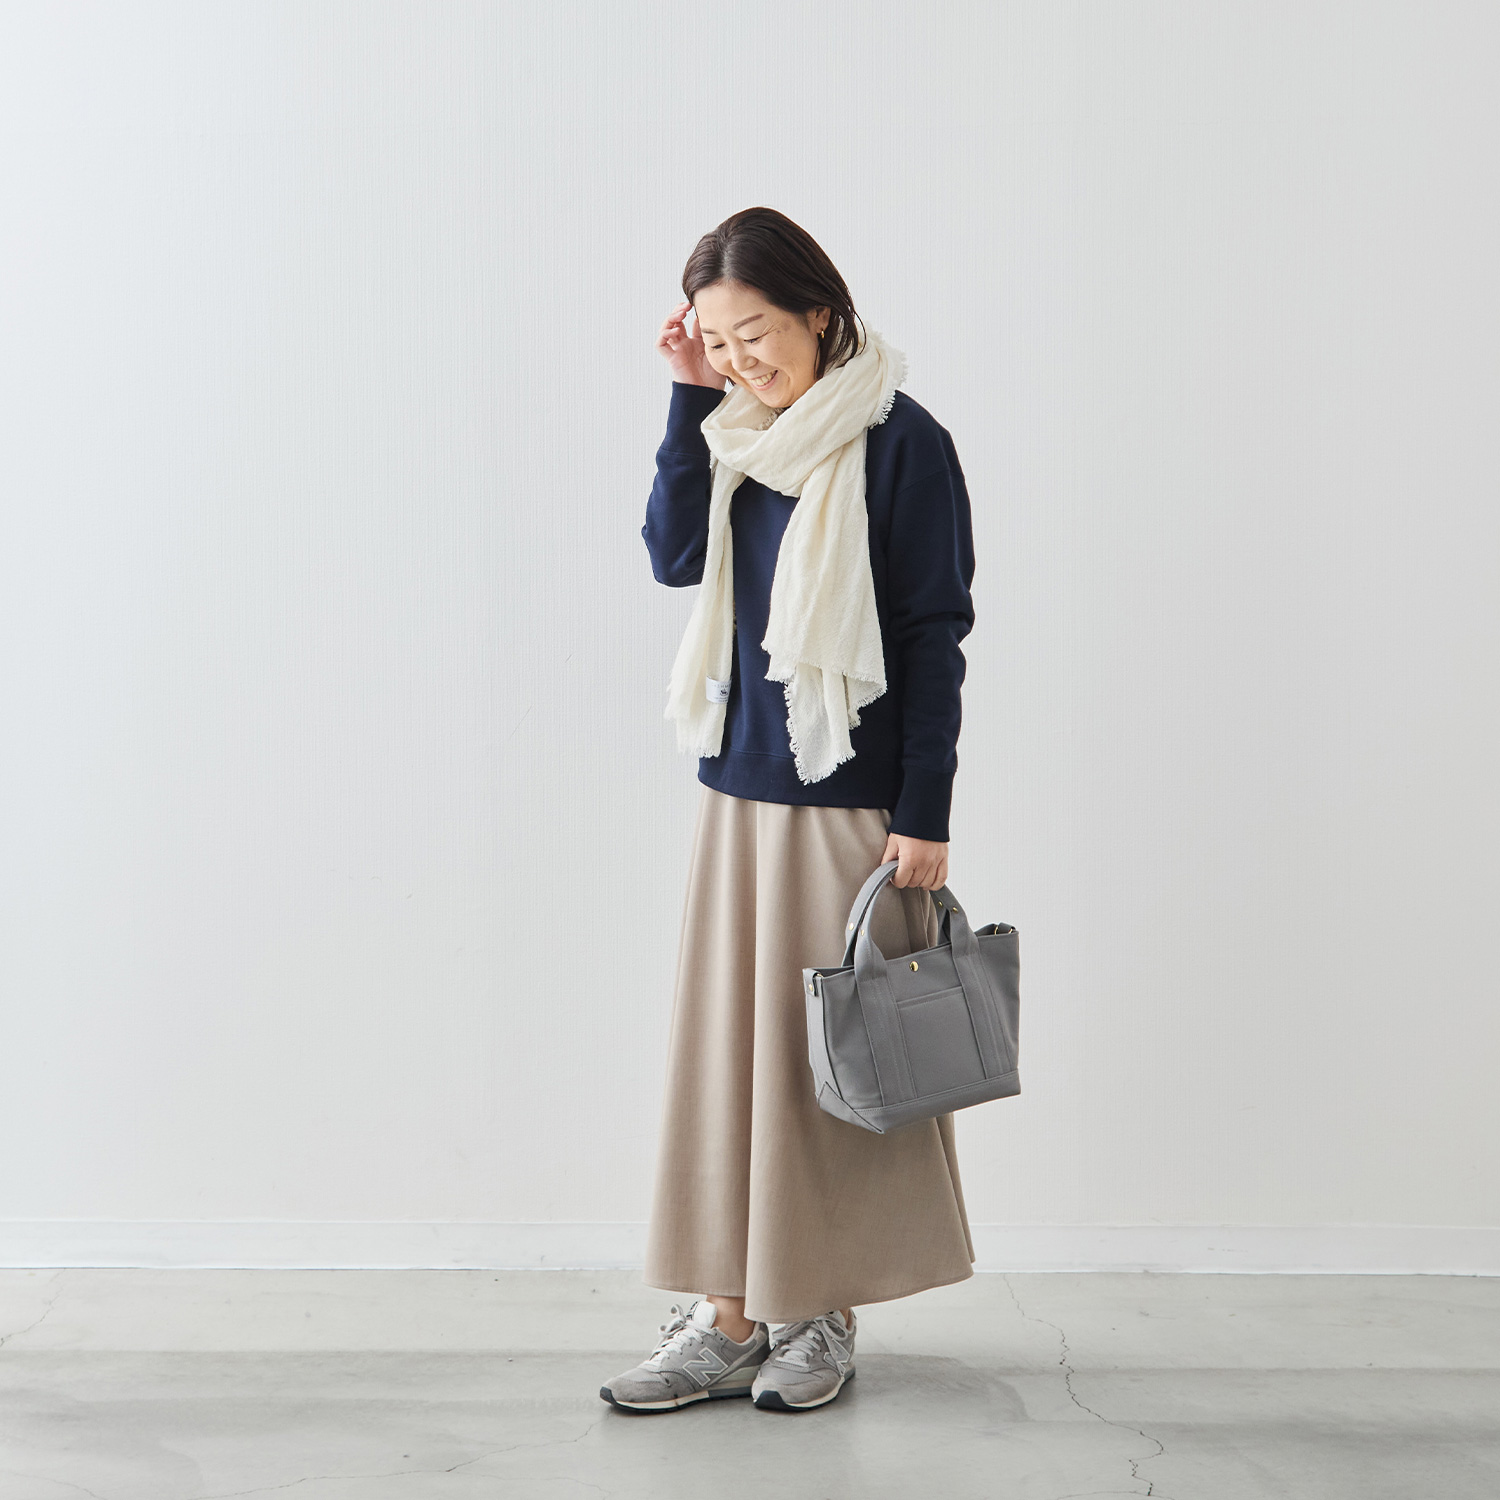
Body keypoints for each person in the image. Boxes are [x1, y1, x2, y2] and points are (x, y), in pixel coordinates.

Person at [600, 207, 978, 1414]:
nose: (738, 360)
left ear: (821, 311)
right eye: (716, 342)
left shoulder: (902, 442)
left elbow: (933, 634)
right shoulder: (732, 437)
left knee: (828, 1075)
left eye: (753, 333)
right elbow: (673, 557)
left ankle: (815, 1311)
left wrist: (925, 811)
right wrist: (683, 397)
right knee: (730, 1066)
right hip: (738, 788)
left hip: (850, 802)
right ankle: (725, 1317)